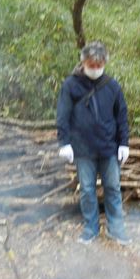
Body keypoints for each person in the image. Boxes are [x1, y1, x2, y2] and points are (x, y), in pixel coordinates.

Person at [56, 41, 130, 245]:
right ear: (84, 62)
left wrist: (124, 143)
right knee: (87, 190)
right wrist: (64, 142)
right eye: (92, 65)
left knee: (113, 188)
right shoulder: (71, 85)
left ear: (104, 63)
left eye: (99, 65)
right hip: (83, 150)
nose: (96, 69)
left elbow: (121, 116)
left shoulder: (112, 86)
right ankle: (91, 228)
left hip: (109, 148)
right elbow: (63, 115)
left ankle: (116, 228)